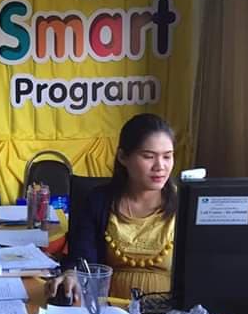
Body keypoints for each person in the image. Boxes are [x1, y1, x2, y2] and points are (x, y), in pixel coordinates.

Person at [46, 113, 177, 301]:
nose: (160, 166)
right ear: (123, 157)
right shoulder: (98, 201)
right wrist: (73, 274)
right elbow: (82, 259)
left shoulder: (184, 205)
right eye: (148, 156)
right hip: (107, 309)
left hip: (170, 313)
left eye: (167, 156)